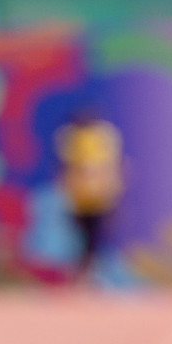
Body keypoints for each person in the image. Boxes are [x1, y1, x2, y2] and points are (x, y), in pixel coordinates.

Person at [56, 108, 124, 279]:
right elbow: (66, 165)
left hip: (98, 195)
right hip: (81, 195)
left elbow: (111, 165)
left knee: (95, 235)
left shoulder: (103, 136)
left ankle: (91, 271)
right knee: (82, 235)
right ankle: (85, 271)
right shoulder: (71, 137)